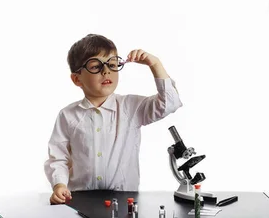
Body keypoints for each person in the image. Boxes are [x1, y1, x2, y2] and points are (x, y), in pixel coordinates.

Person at [44, 34, 183, 204]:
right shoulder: (67, 115)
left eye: (112, 64)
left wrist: (155, 64)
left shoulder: (131, 107)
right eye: (95, 66)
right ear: (76, 79)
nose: (106, 71)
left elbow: (170, 103)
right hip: (80, 199)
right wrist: (59, 185)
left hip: (124, 200)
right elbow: (58, 157)